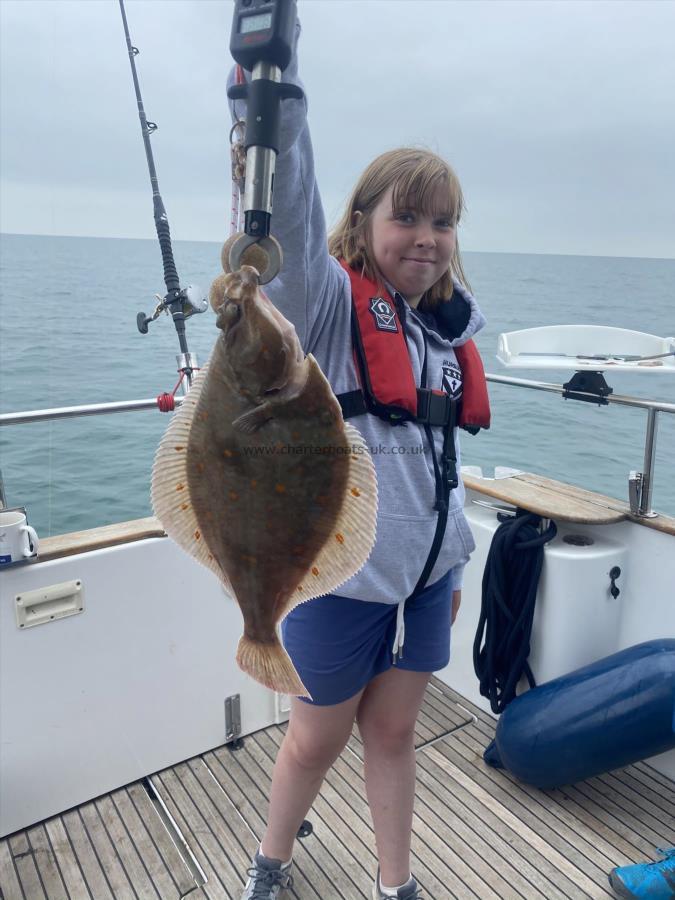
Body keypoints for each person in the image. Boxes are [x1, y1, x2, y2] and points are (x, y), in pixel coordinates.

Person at [230, 17, 489, 900]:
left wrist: (452, 561)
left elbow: (437, 462)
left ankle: (393, 882)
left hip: (424, 579)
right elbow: (288, 220)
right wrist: (270, 91)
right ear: (363, 222)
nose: (426, 236)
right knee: (314, 738)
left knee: (392, 736)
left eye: (443, 221)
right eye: (406, 216)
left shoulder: (446, 338)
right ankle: (272, 860)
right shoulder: (331, 311)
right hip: (336, 583)